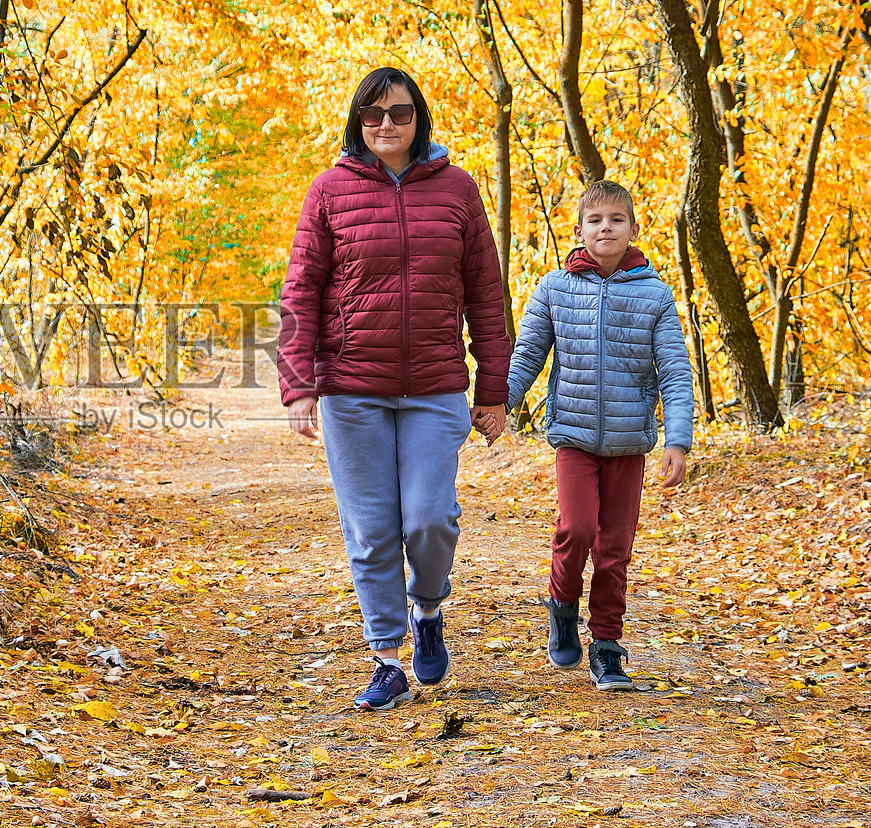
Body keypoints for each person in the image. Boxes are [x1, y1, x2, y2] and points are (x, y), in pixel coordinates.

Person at [278, 67, 510, 711]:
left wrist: (493, 389)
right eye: (373, 114)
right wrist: (298, 383)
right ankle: (386, 658)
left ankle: (427, 609)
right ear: (358, 121)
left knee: (430, 518)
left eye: (400, 113)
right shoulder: (329, 191)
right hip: (352, 388)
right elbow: (301, 289)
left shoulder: (458, 190)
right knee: (372, 530)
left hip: (435, 387)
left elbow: (486, 294)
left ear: (418, 118)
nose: (387, 124)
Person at [504, 179, 694, 690]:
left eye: (616, 220)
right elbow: (527, 355)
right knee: (578, 529)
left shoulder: (655, 295)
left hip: (629, 443)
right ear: (579, 231)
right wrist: (498, 404)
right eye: (595, 220)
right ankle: (562, 604)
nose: (605, 228)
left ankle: (607, 646)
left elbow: (675, 371)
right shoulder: (554, 289)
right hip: (574, 436)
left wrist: (677, 440)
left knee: (614, 548)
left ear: (633, 229)